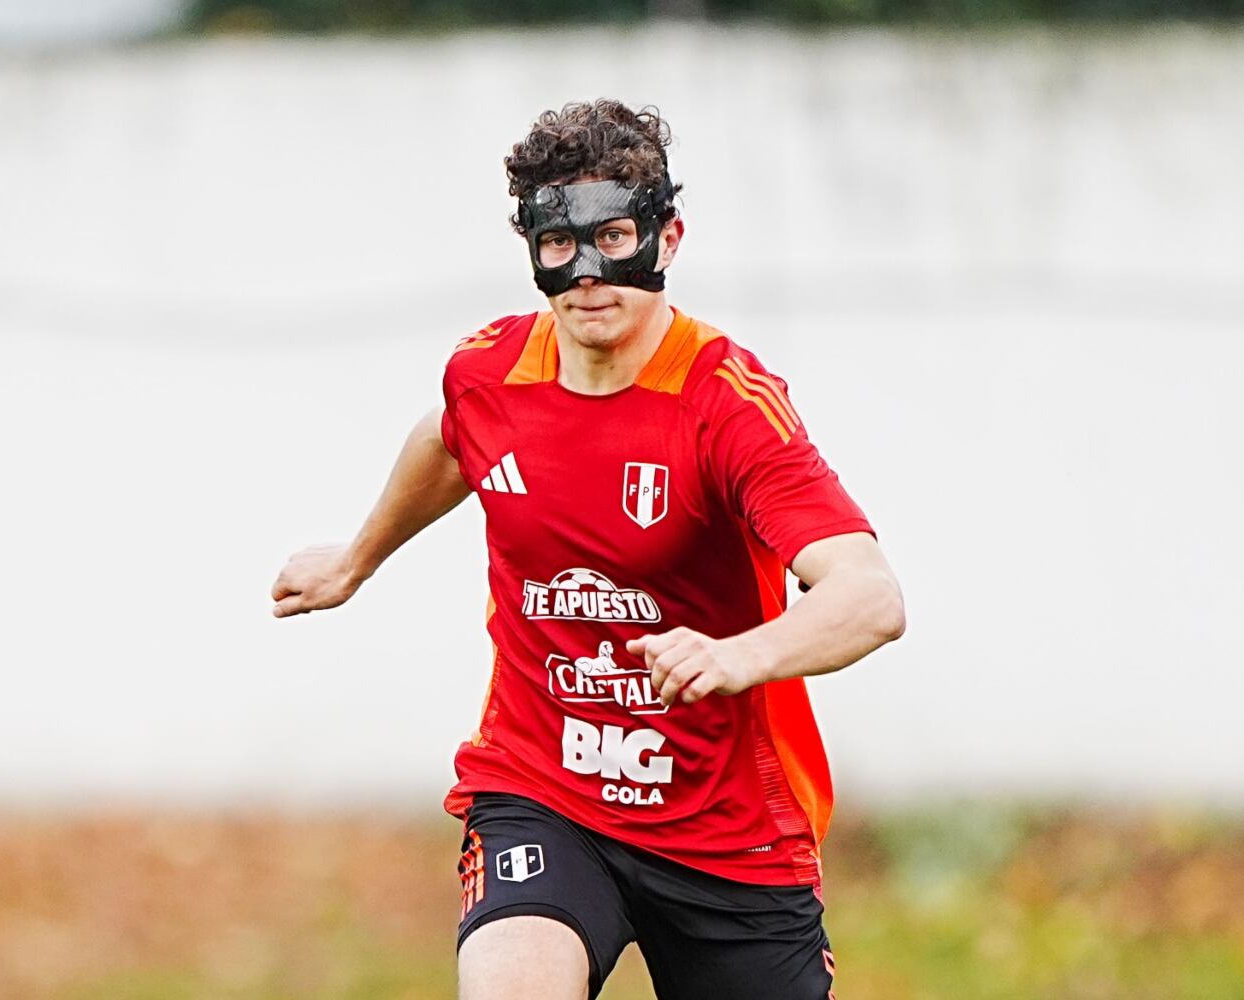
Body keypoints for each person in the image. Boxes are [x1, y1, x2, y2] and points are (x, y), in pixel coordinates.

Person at [270, 99, 905, 1000]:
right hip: (543, 791)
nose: (588, 274)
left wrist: (737, 656)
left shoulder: (724, 403)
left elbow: (871, 596)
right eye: (559, 246)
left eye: (613, 235)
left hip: (727, 831)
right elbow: (452, 438)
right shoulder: (489, 373)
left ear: (667, 237)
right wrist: (357, 558)